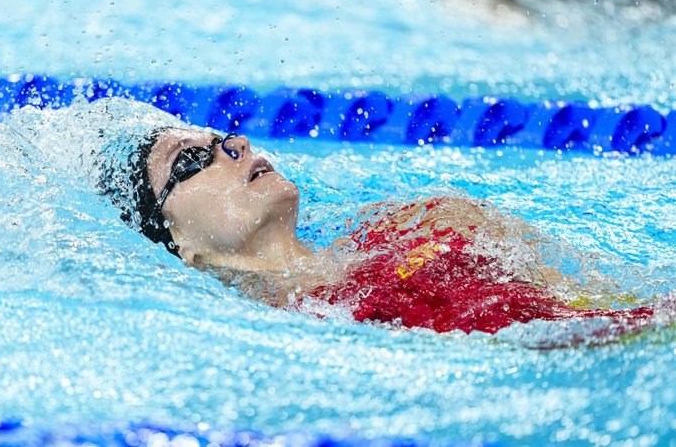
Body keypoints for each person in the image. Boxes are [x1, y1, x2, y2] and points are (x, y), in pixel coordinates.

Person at [97, 124, 658, 338]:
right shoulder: (304, 332)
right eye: (192, 162)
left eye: (225, 140)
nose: (235, 147)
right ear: (181, 248)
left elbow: (608, 295)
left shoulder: (417, 222)